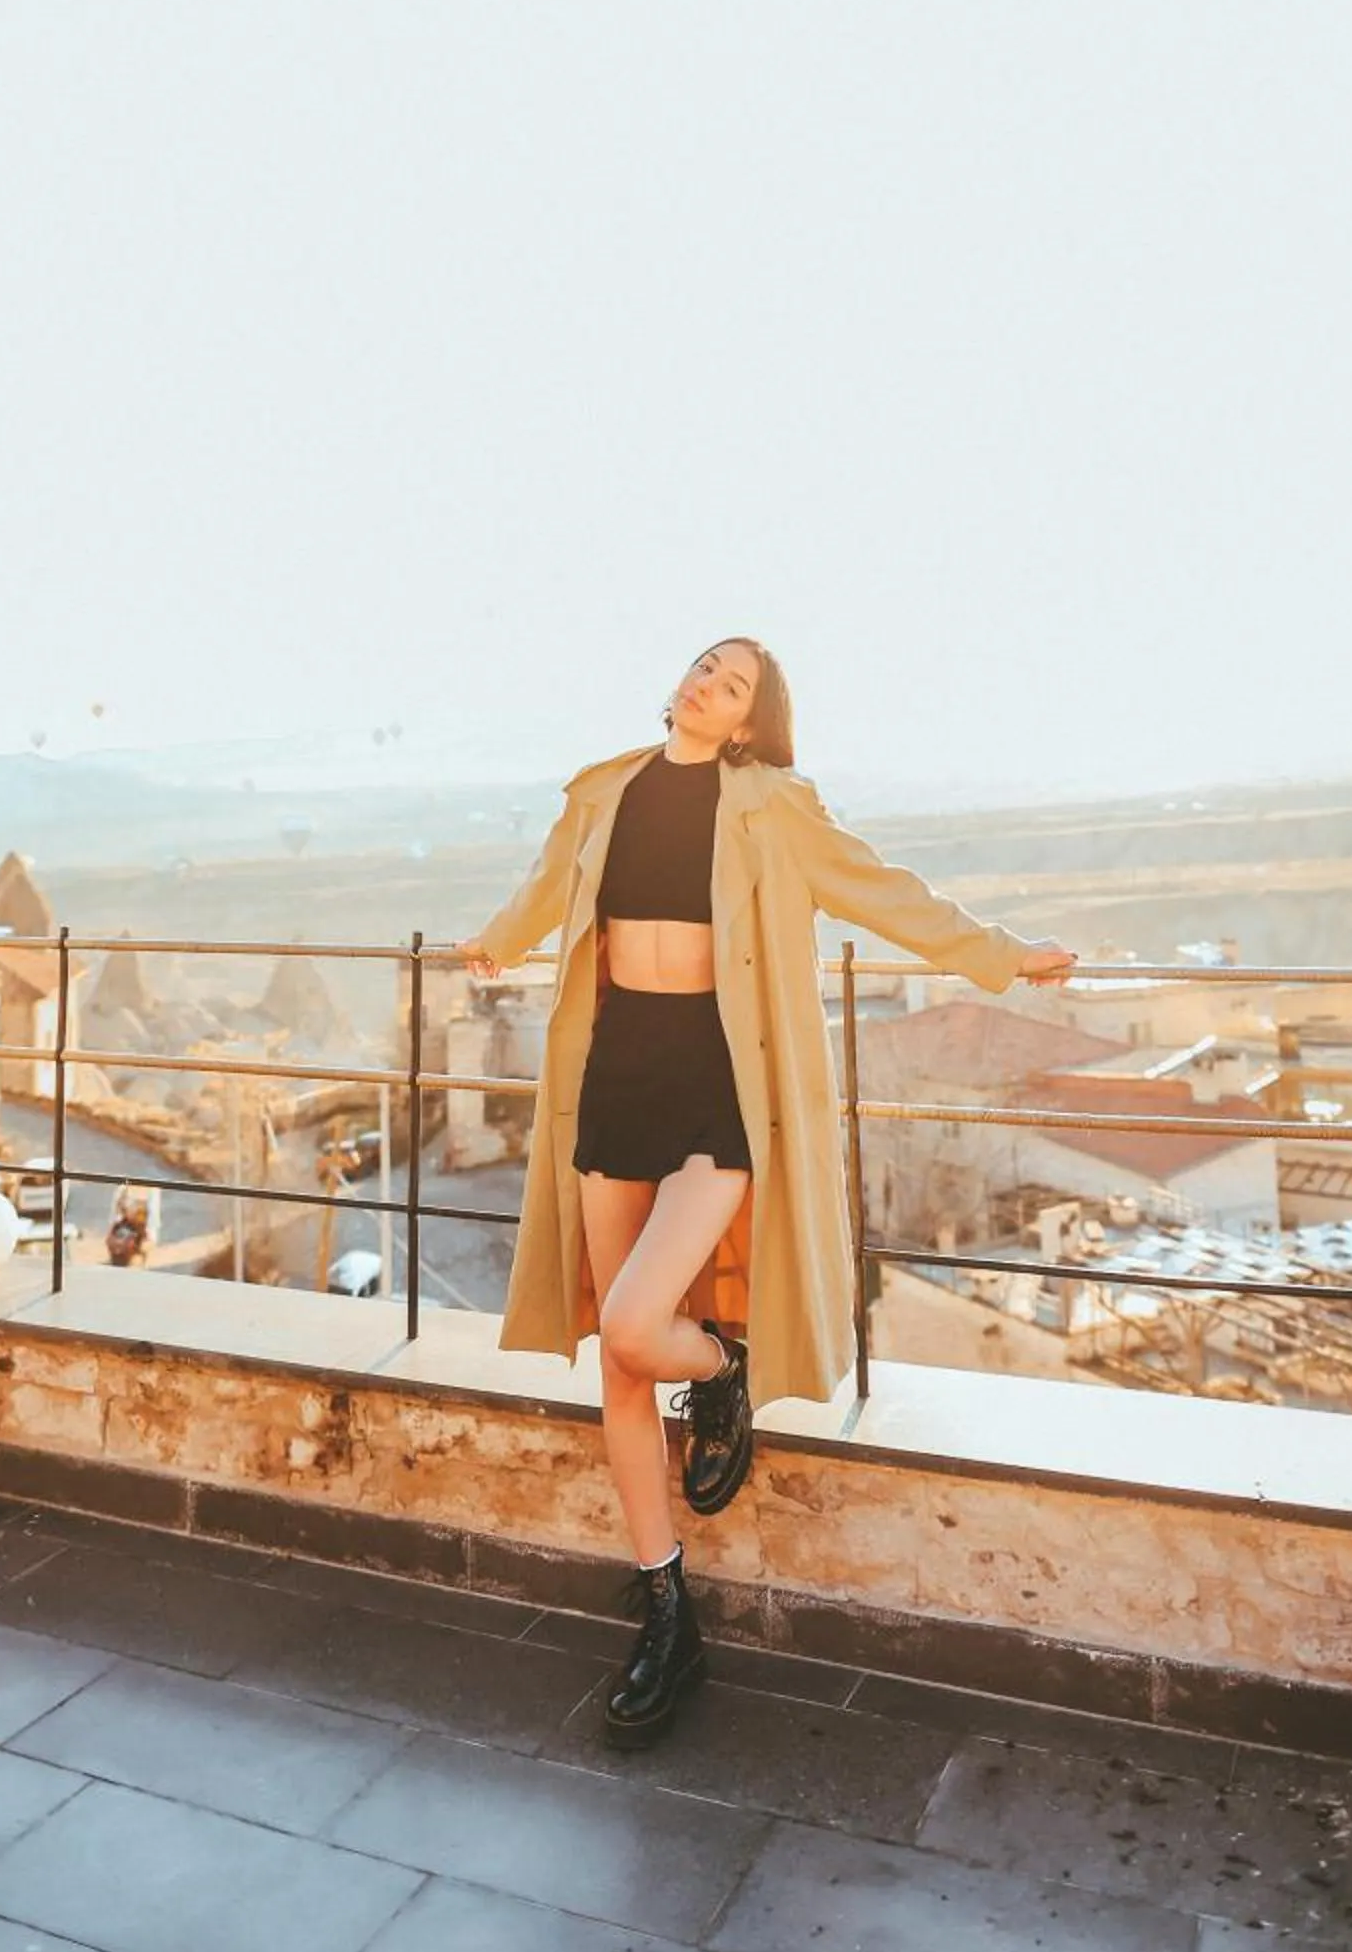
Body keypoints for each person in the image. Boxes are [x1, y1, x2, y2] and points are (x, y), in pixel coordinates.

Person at [459, 637, 1078, 1749]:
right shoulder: (606, 790)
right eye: (701, 666)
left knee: (642, 1323)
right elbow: (548, 893)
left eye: (730, 683)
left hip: (715, 1081)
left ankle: (722, 1367)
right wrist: (490, 946)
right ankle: (663, 1606)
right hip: (614, 1076)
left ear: (748, 722)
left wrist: (998, 955)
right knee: (614, 1357)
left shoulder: (770, 805)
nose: (704, 683)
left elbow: (879, 889)